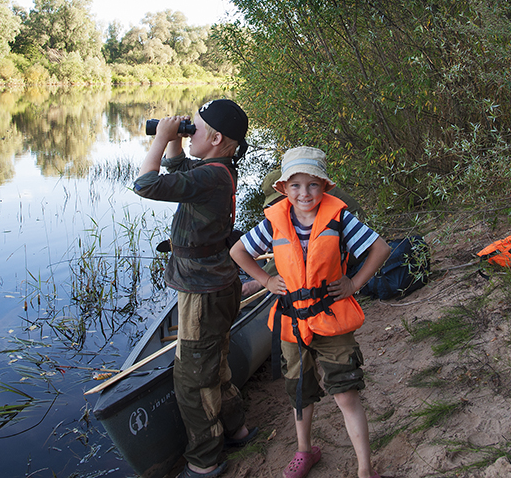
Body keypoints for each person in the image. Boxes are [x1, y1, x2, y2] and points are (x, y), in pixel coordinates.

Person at [230, 146, 390, 478]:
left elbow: (380, 248)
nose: (305, 193)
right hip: (291, 323)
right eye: (296, 186)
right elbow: (238, 250)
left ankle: (365, 469)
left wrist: (354, 284)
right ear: (284, 189)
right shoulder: (275, 221)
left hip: (331, 320)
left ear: (324, 187)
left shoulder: (340, 218)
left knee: (346, 394)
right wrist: (266, 279)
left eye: (313, 185)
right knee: (300, 393)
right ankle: (305, 451)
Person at [133, 99, 256, 478]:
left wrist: (160, 138)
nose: (189, 133)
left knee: (192, 380)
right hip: (214, 285)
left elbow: (146, 184)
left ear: (216, 138)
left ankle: (204, 462)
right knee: (214, 366)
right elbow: (178, 169)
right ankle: (237, 429)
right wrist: (174, 143)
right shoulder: (217, 170)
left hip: (203, 293)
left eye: (194, 129)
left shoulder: (213, 176)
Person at [241, 168, 367, 296]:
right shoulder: (312, 194)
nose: (276, 207)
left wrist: (261, 281)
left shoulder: (315, 203)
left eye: (276, 202)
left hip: (355, 250)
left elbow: (299, 250)